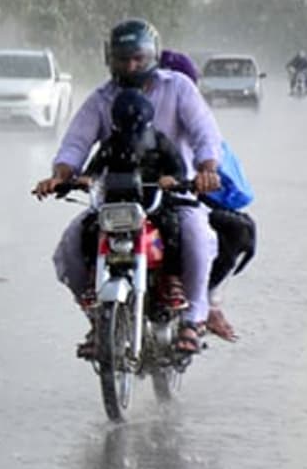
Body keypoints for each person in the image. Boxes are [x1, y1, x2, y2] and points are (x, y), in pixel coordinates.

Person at [33, 19, 222, 356]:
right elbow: (76, 144)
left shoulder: (178, 87)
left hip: (171, 195)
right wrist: (63, 175)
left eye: (138, 58)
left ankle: (193, 319)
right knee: (72, 245)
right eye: (122, 58)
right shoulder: (102, 98)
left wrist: (206, 170)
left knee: (194, 235)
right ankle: (97, 319)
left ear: (153, 56)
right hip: (115, 200)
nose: (130, 66)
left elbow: (204, 133)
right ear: (110, 59)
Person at [160, 48, 255, 342]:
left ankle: (203, 301)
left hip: (184, 200)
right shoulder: (125, 111)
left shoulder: (200, 125)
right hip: (143, 202)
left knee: (234, 230)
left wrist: (205, 177)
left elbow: (230, 184)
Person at [76, 89, 189, 320]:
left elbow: (179, 169)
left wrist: (171, 180)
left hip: (152, 205)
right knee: (88, 227)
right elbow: (94, 169)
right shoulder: (111, 144)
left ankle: (171, 280)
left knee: (172, 226)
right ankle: (91, 278)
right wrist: (86, 179)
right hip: (115, 206)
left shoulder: (159, 141)